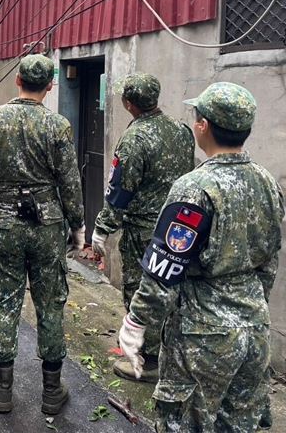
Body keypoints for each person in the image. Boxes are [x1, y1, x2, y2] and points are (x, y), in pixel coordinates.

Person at [117, 82, 284, 432]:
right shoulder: (266, 181)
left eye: (197, 117)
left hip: (201, 336)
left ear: (204, 126)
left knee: (186, 423)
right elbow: (270, 259)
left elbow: (164, 269)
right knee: (238, 423)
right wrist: (251, 304)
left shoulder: (195, 187)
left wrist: (135, 324)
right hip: (254, 328)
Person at [0, 54, 85, 416]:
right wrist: (77, 224)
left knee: (6, 301)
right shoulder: (58, 125)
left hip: (6, 222)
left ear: (17, 81)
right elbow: (70, 180)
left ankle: (3, 389)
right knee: (50, 303)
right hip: (48, 225)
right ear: (50, 86)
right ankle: (51, 390)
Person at [90, 73, 195, 382]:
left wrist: (102, 229)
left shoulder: (135, 138)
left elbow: (120, 190)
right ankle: (164, 350)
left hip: (145, 230)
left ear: (128, 103)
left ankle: (146, 360)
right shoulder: (181, 130)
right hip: (178, 228)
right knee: (170, 290)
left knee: (140, 289)